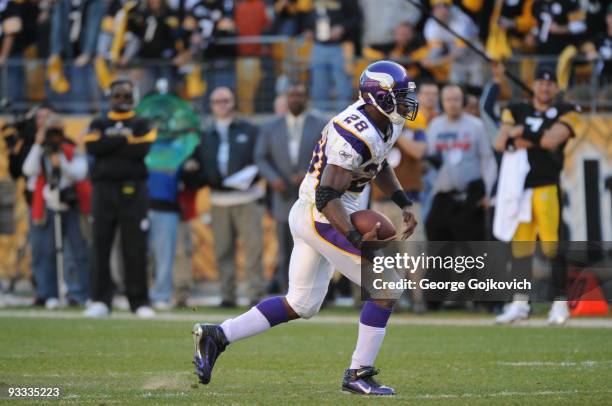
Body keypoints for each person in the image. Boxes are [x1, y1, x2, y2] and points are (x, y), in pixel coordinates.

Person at [191, 60, 419, 396]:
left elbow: (379, 162)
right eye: (398, 95)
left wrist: (403, 202)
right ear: (378, 97)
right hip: (323, 212)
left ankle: (219, 335)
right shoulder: (352, 133)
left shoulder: (386, 121)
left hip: (321, 208)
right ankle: (358, 373)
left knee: (301, 303)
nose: (405, 102)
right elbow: (328, 195)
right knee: (386, 287)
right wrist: (355, 238)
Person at [493, 66, 581, 325]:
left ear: (556, 88)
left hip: (546, 185)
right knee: (521, 247)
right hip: (520, 188)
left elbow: (552, 141)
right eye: (541, 83)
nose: (545, 87)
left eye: (550, 83)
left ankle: (560, 304)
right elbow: (501, 141)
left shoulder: (567, 111)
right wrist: (524, 136)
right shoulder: (517, 109)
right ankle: (521, 304)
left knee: (552, 246)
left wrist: (522, 134)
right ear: (533, 86)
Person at [83, 79, 157, 318]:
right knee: (101, 245)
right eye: (117, 95)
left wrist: (109, 143)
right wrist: (124, 140)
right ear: (110, 97)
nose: (121, 100)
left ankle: (139, 301)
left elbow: (142, 148)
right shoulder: (98, 121)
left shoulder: (142, 121)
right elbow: (92, 146)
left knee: (134, 247)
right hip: (103, 190)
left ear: (133, 97)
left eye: (126, 95)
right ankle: (100, 300)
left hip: (133, 190)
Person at [255, 83, 327, 294]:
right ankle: (289, 293)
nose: (296, 99)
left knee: (316, 247)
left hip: (312, 198)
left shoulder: (320, 125)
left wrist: (309, 175)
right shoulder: (270, 127)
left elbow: (328, 156)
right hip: (282, 194)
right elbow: (260, 157)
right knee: (285, 247)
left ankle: (317, 292)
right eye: (292, 95)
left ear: (307, 99)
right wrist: (273, 178)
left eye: (300, 95)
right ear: (286, 98)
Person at [196, 87, 265, 308]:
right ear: (211, 105)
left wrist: (250, 178)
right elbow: (200, 165)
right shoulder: (205, 135)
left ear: (233, 103)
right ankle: (228, 294)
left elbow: (259, 159)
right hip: (218, 199)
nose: (222, 105)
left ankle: (255, 293)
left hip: (246, 197)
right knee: (223, 249)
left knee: (253, 248)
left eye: (226, 100)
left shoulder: (249, 129)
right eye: (217, 101)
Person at [21, 115, 91, 308]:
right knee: (45, 251)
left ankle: (78, 292)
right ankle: (47, 293)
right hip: (46, 205)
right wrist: (37, 144)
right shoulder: (39, 149)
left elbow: (80, 172)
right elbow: (28, 170)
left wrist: (61, 163)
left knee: (76, 251)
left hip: (68, 204)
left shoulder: (69, 148)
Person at [425, 84, 497, 242]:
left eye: (456, 99)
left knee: (471, 251)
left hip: (471, 196)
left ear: (463, 101)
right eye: (448, 100)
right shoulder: (434, 126)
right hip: (443, 195)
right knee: (436, 242)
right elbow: (429, 159)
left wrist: (489, 192)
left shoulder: (476, 126)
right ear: (442, 102)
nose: (452, 103)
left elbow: (487, 160)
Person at [305, 0, 361, 111]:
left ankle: (343, 122)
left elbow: (357, 19)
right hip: (318, 46)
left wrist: (342, 28)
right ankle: (320, 122)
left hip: (341, 46)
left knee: (343, 88)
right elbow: (308, 16)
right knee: (318, 88)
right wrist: (309, 28)